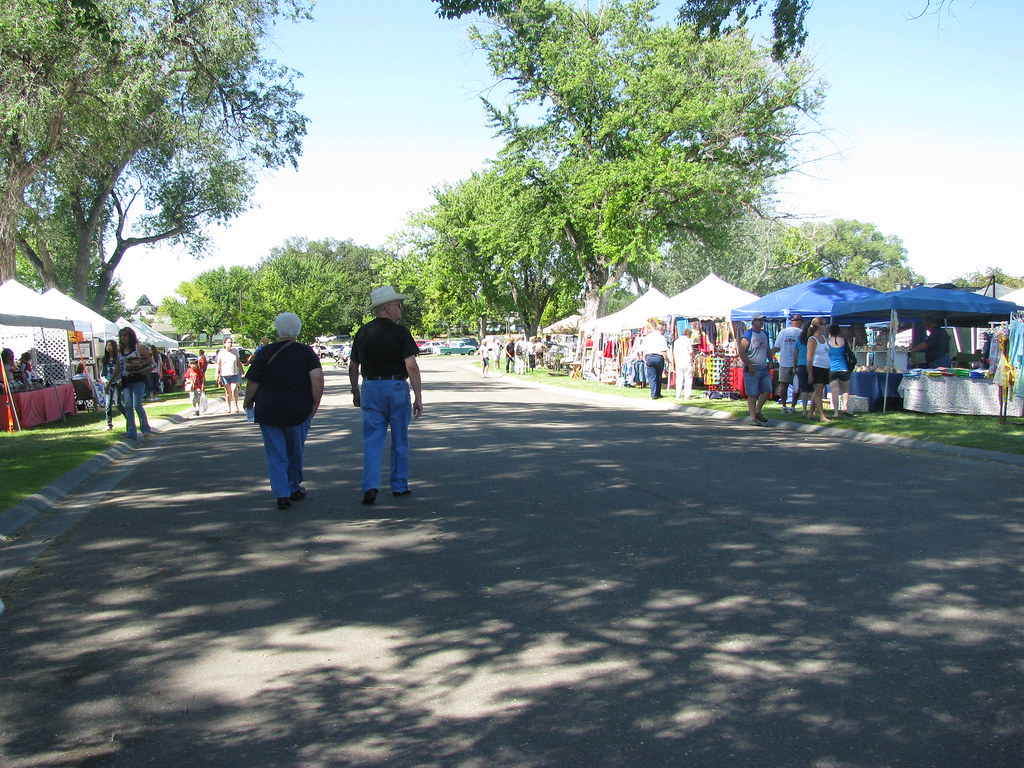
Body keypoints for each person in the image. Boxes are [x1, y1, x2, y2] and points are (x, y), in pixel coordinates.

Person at [349, 286, 423, 505]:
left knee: (372, 440)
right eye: (398, 306)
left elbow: (353, 367)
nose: (400, 310)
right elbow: (411, 366)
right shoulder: (400, 332)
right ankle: (399, 485)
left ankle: (370, 486)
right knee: (400, 438)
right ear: (388, 307)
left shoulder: (362, 332)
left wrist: (355, 391)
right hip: (395, 387)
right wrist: (418, 396)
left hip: (371, 388)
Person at [243, 312, 324, 510]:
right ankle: (293, 485)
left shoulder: (265, 352)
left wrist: (248, 402)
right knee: (295, 450)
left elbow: (254, 382)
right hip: (298, 408)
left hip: (269, 408)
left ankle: (281, 493)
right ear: (298, 330)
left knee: (275, 452)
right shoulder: (306, 353)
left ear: (277, 330)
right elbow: (317, 379)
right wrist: (315, 403)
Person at [117, 327, 154, 442]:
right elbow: (118, 367)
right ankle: (131, 431)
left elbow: (150, 360)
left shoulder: (138, 347)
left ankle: (146, 430)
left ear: (130, 336)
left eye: (126, 335)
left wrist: (136, 366)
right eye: (122, 335)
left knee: (137, 404)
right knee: (128, 405)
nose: (123, 337)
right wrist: (111, 382)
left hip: (138, 378)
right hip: (126, 380)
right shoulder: (120, 351)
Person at [737, 314, 773, 425]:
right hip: (752, 368)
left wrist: (770, 360)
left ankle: (757, 412)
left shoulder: (764, 334)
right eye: (759, 320)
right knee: (752, 394)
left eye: (762, 320)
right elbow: (741, 352)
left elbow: (767, 348)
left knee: (767, 390)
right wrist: (749, 365)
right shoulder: (748, 335)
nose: (761, 322)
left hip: (763, 367)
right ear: (753, 321)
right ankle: (753, 417)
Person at [772, 314, 803, 414]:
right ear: (798, 322)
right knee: (796, 386)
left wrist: (769, 357)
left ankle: (784, 406)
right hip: (797, 363)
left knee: (783, 384)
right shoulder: (801, 333)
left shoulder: (783, 332)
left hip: (784, 362)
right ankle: (792, 406)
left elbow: (776, 348)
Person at [805, 316, 832, 424]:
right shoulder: (812, 339)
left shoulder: (824, 338)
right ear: (818, 326)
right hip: (816, 367)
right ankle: (822, 415)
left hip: (825, 367)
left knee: (818, 391)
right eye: (823, 324)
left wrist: (829, 368)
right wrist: (810, 374)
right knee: (819, 392)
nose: (825, 326)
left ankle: (810, 413)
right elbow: (809, 358)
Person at [826, 323, 854, 416]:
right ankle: (845, 408)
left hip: (832, 369)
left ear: (829, 331)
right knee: (845, 390)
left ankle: (836, 412)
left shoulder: (827, 341)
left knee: (834, 392)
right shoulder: (844, 341)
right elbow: (849, 354)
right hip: (844, 368)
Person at [100, 339, 125, 430]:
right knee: (108, 403)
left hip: (117, 382)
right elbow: (102, 374)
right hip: (108, 383)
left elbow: (121, 370)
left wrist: (120, 379)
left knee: (118, 403)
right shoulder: (104, 359)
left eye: (110, 345)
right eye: (107, 346)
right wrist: (105, 381)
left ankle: (128, 418)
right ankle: (109, 424)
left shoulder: (118, 358)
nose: (109, 348)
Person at [641, 322, 669, 399]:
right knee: (659, 376)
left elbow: (644, 350)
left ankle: (654, 394)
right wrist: (667, 360)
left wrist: (644, 359)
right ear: (662, 330)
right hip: (658, 357)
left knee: (652, 377)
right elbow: (664, 351)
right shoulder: (662, 338)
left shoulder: (648, 337)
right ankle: (658, 393)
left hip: (649, 357)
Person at [215, 336, 243, 413]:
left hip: (234, 373)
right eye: (228, 342)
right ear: (224, 344)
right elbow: (218, 364)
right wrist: (216, 374)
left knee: (234, 389)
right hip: (225, 374)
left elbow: (238, 363)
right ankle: (228, 405)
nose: (230, 344)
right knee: (228, 392)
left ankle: (236, 405)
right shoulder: (221, 353)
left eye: (231, 342)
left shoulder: (235, 351)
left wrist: (243, 372)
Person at [673, 328, 694, 399]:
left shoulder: (676, 341)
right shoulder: (688, 341)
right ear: (688, 334)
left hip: (678, 361)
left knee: (679, 379)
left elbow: (674, 353)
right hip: (686, 360)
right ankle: (687, 395)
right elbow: (691, 351)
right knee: (688, 379)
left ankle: (677, 395)